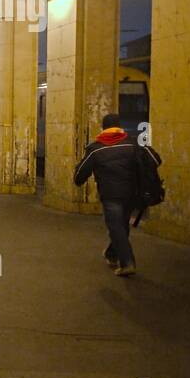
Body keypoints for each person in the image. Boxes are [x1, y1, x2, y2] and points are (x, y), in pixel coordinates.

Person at [73, 113, 162, 277]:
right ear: (119, 126)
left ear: (103, 128)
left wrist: (78, 180)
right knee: (121, 225)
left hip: (110, 194)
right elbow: (155, 160)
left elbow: (81, 172)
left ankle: (127, 262)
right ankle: (112, 254)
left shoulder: (96, 148)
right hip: (132, 194)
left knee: (115, 227)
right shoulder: (133, 144)